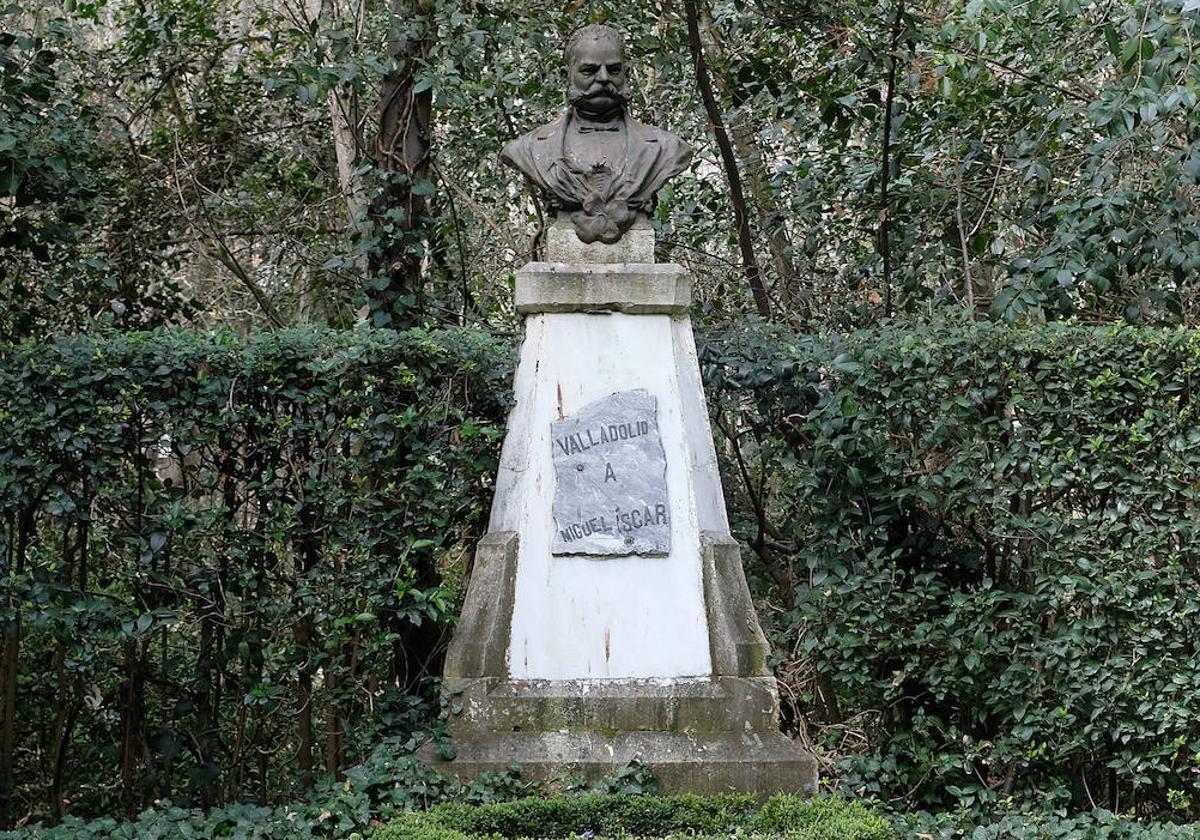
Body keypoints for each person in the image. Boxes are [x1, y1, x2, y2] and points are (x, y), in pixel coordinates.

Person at [501, 24, 692, 245]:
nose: (603, 78)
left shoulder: (666, 148)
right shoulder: (529, 148)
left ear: (626, 74)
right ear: (566, 76)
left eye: (613, 70)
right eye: (589, 70)